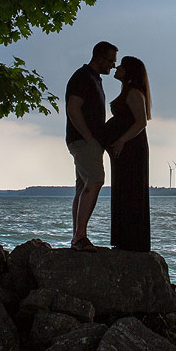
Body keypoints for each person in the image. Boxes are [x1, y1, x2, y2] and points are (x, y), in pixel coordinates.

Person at [65, 41, 117, 251]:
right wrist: (88, 138)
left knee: (82, 187)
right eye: (111, 61)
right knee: (95, 181)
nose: (113, 66)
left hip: (86, 141)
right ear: (100, 57)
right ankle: (80, 236)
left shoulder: (94, 79)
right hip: (83, 141)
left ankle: (77, 236)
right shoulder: (82, 77)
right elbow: (73, 109)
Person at [104, 55, 152, 252]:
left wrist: (122, 140)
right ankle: (124, 238)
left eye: (121, 66)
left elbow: (141, 122)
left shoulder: (133, 93)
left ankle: (132, 240)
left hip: (132, 149)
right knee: (123, 189)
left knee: (131, 190)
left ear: (129, 71)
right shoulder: (128, 91)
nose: (116, 67)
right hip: (124, 149)